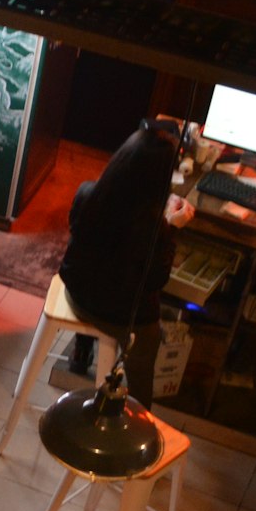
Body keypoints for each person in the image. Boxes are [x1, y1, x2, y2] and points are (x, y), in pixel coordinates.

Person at [59, 117, 196, 398]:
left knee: (102, 266)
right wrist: (171, 226)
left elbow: (79, 233)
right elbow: (157, 280)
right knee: (146, 348)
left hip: (77, 293)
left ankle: (81, 348)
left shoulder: (87, 193)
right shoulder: (154, 228)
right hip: (119, 317)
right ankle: (140, 409)